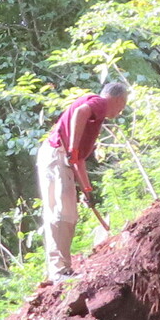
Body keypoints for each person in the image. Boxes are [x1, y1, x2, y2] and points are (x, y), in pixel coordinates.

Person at [37, 78, 129, 281]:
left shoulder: (96, 119)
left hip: (57, 157)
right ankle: (59, 271)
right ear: (117, 99)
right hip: (57, 155)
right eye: (122, 105)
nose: (121, 111)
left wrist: (88, 191)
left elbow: (78, 160)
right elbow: (80, 113)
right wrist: (73, 147)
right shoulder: (100, 103)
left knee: (64, 212)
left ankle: (60, 269)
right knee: (63, 212)